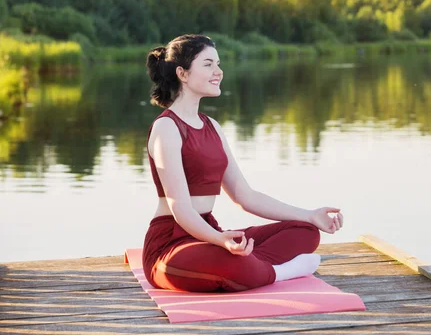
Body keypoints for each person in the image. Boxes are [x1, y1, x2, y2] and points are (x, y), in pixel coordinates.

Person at [142, 34, 343, 292]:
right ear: (182, 73)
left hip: (207, 233)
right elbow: (180, 209)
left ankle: (255, 267)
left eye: (218, 63)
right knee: (232, 264)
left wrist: (310, 215)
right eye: (208, 64)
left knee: (305, 231)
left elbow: (245, 196)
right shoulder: (167, 127)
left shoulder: (212, 127)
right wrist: (220, 241)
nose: (218, 71)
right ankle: (280, 272)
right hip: (171, 244)